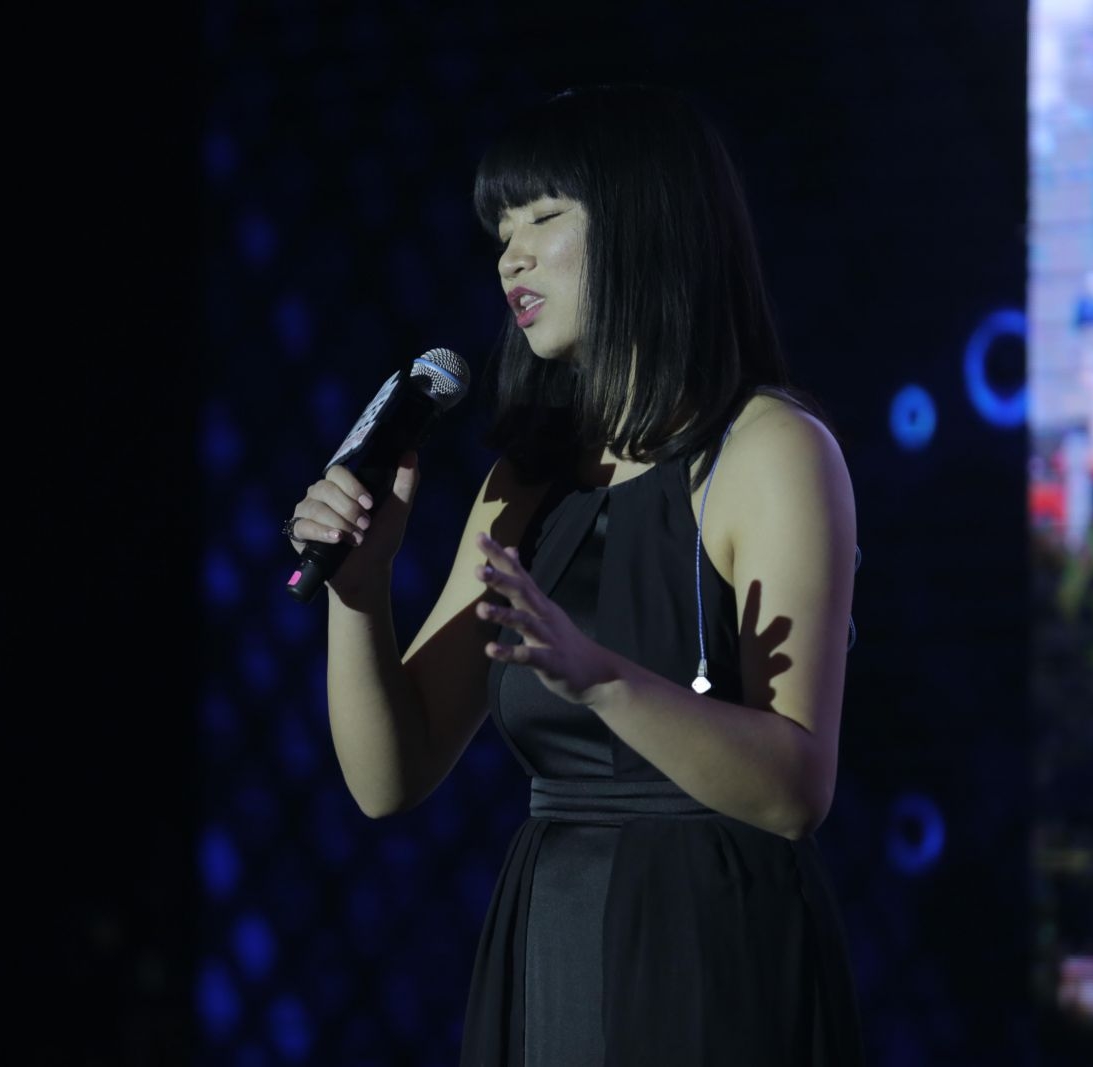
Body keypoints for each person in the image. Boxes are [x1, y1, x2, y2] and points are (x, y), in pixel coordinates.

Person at [283, 83, 864, 1066]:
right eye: (501, 230)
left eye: (544, 218)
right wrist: (360, 588)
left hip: (708, 951)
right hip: (551, 935)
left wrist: (602, 679)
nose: (510, 256)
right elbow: (391, 775)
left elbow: (796, 787)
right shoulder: (528, 480)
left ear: (646, 223)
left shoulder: (770, 451)